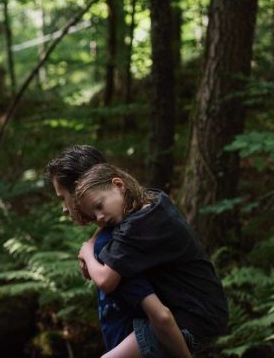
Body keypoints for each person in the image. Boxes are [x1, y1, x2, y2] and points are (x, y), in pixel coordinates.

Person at [45, 145, 192, 357]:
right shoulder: (140, 219)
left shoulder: (116, 248)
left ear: (80, 189)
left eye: (62, 197)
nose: (64, 208)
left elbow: (158, 315)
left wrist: (90, 249)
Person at [75, 163, 229, 357]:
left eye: (99, 206)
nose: (100, 217)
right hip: (211, 310)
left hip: (193, 321)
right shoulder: (155, 201)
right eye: (93, 216)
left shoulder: (135, 229)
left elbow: (106, 281)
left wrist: (87, 252)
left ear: (119, 185)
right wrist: (94, 238)